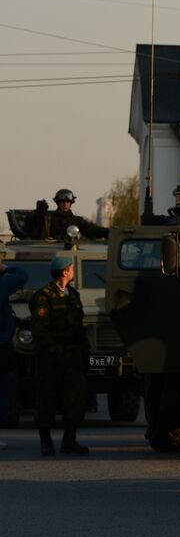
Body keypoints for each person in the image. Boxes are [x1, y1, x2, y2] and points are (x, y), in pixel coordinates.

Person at [28, 254, 89, 456]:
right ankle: (46, 443)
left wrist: (85, 351)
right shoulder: (43, 296)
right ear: (65, 271)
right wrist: (53, 352)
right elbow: (40, 329)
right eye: (72, 268)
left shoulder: (73, 295)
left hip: (72, 355)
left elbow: (78, 327)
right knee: (46, 401)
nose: (73, 272)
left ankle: (69, 441)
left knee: (75, 400)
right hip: (50, 357)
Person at [0, 249, 30, 450]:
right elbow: (22, 275)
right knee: (2, 390)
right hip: (2, 346)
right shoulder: (2, 284)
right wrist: (5, 268)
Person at [32, 189, 108, 241]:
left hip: (71, 252)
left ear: (71, 203)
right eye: (62, 202)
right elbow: (35, 233)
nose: (65, 204)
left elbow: (92, 230)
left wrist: (108, 232)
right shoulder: (48, 219)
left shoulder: (76, 221)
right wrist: (38, 216)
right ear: (58, 203)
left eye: (68, 202)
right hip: (50, 251)